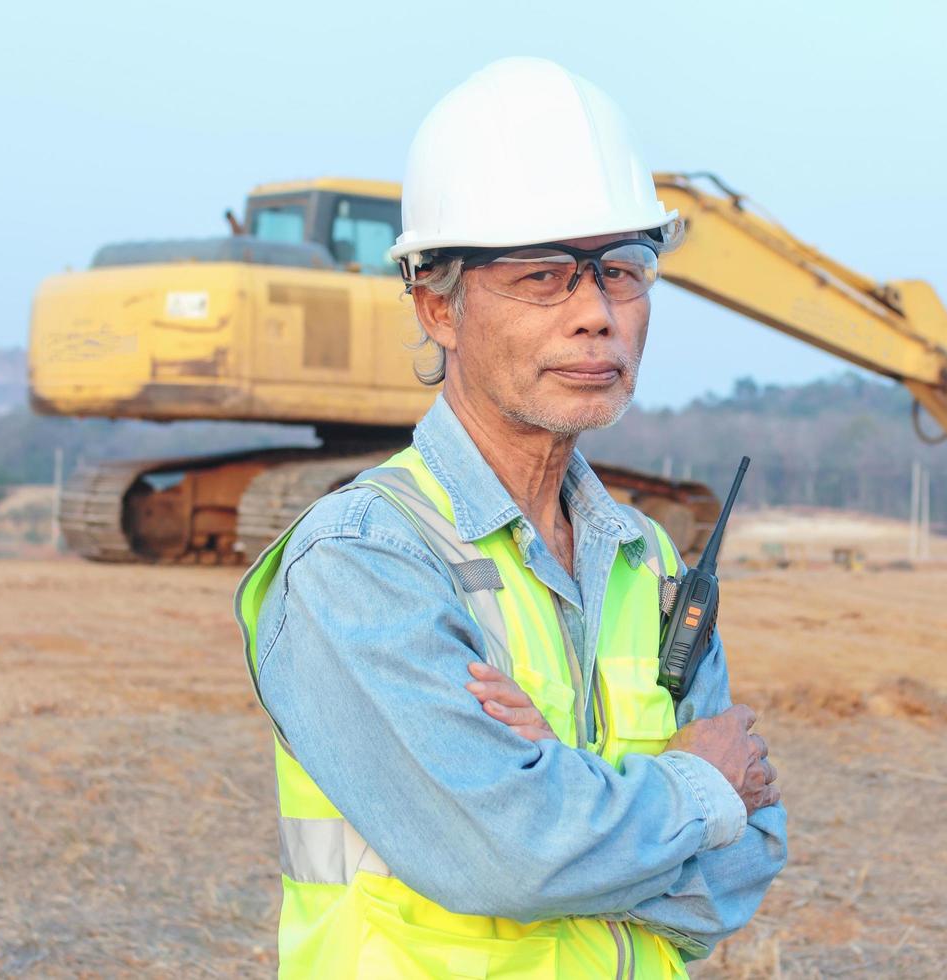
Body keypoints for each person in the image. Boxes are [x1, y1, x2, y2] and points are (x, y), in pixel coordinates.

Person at [234, 57, 787, 978]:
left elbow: (748, 860)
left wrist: (566, 802)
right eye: (541, 278)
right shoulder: (361, 559)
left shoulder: (644, 561)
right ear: (435, 306)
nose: (595, 315)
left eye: (622, 270)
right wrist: (692, 787)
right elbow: (506, 856)